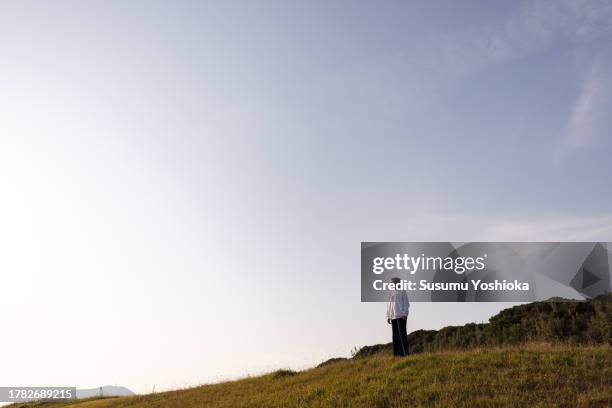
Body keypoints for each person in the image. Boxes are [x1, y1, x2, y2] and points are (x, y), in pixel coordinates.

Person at [387, 277, 410, 356]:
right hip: (393, 317)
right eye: (392, 283)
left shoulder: (402, 291)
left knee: (402, 335)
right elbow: (389, 305)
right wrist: (388, 316)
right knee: (395, 336)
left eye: (394, 282)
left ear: (398, 283)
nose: (393, 284)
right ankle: (396, 355)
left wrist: (405, 314)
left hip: (401, 316)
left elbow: (406, 303)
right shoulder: (391, 293)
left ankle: (405, 354)